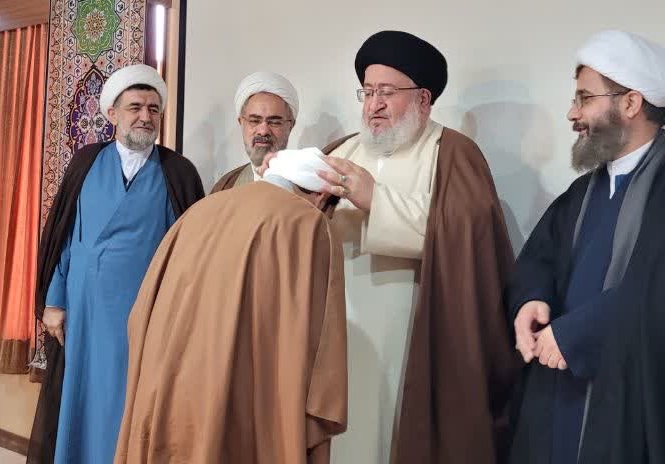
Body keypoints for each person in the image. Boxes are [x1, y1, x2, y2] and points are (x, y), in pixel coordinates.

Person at [507, 30, 665, 464]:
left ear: (630, 103)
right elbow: (540, 260)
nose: (572, 113)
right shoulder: (580, 195)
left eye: (585, 98)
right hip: (561, 391)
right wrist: (531, 299)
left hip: (640, 403)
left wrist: (579, 334)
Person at [318, 31, 518, 463]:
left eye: (387, 93)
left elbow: (468, 235)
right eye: (368, 92)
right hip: (340, 331)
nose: (374, 105)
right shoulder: (341, 151)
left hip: (413, 334)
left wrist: (375, 200)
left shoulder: (453, 152)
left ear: (423, 99)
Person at [115, 148, 347, 464]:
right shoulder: (308, 224)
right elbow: (321, 344)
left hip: (169, 388)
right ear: (321, 195)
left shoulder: (199, 211)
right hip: (244, 401)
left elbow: (141, 313)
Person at [27, 64, 205, 464]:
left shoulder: (178, 172)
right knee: (81, 397)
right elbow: (63, 238)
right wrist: (54, 301)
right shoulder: (85, 162)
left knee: (125, 401)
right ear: (112, 113)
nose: (145, 116)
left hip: (142, 314)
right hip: (84, 310)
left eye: (154, 109)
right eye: (135, 107)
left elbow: (191, 253)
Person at [211, 71, 299, 192]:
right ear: (241, 122)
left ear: (291, 125)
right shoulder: (226, 187)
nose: (263, 131)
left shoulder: (309, 188)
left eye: (274, 122)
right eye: (254, 121)